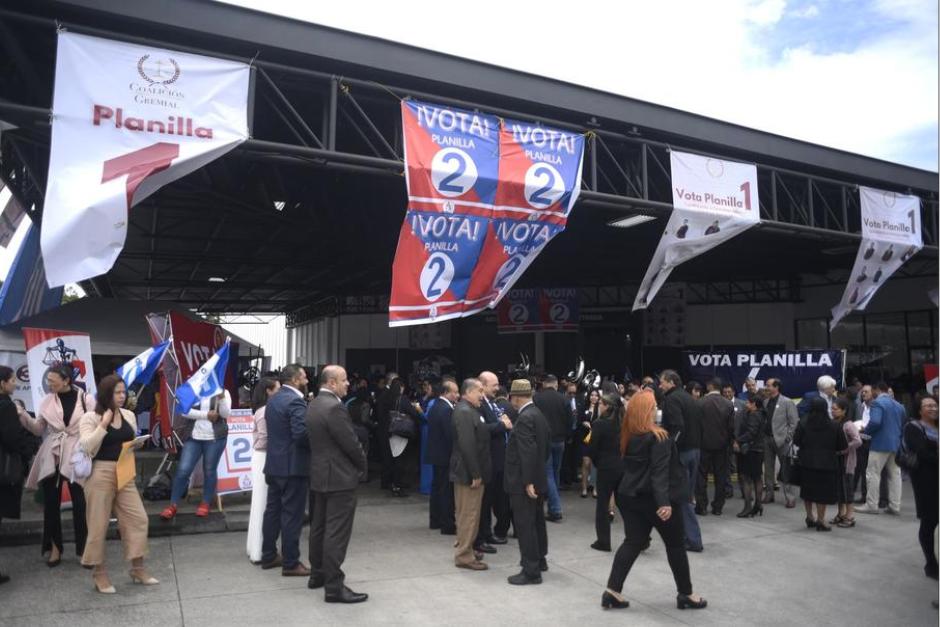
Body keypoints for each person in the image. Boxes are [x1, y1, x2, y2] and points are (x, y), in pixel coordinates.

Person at [602, 389, 706, 611]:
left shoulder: (628, 436)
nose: (657, 410)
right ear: (648, 411)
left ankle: (612, 591)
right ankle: (686, 594)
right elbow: (659, 473)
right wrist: (664, 503)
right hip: (654, 499)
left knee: (632, 542)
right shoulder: (659, 437)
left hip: (629, 496)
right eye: (653, 407)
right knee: (676, 545)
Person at [78, 374, 156, 593]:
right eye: (118, 392)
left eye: (124, 392)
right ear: (106, 394)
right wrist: (103, 423)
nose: (122, 396)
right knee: (98, 524)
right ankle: (99, 574)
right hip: (100, 472)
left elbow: (128, 441)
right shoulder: (90, 418)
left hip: (124, 470)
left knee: (138, 518)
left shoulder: (129, 415)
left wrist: (137, 444)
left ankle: (137, 568)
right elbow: (87, 446)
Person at [305, 366, 368, 603]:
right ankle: (334, 586)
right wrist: (362, 465)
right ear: (331, 382)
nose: (348, 384)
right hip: (339, 477)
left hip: (321, 474)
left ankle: (317, 574)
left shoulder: (314, 404)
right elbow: (351, 444)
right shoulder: (334, 408)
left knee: (319, 527)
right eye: (344, 380)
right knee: (336, 532)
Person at [23, 364, 94, 566]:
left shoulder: (85, 399)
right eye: (48, 380)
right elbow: (38, 430)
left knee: (80, 503)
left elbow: (93, 425)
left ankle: (84, 550)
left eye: (53, 380)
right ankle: (55, 548)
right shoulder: (47, 401)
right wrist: (23, 416)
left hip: (77, 453)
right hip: (52, 452)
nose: (49, 383)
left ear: (66, 380)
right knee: (51, 504)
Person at [260, 364, 310, 576]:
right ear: (296, 380)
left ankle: (269, 554)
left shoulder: (274, 400)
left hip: (274, 465)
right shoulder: (296, 401)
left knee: (273, 511)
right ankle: (291, 562)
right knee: (292, 515)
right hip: (293, 467)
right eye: (305, 377)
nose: (308, 381)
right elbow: (301, 434)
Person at [160, 384, 231, 520]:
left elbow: (226, 414)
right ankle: (173, 504)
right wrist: (206, 415)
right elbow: (184, 411)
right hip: (193, 437)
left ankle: (205, 503)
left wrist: (221, 398)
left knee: (210, 470)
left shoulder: (223, 392)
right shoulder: (193, 391)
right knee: (183, 470)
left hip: (215, 438)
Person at [504, 379, 551, 585]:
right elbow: (545, 448)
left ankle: (531, 570)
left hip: (524, 482)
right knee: (537, 521)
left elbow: (527, 451)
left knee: (525, 525)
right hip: (538, 477)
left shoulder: (524, 418)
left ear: (515, 397)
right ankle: (540, 560)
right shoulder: (538, 415)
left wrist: (528, 480)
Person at [0, 366, 39, 585]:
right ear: (2, 384)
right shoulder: (6, 406)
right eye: (12, 380)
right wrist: (30, 450)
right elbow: (12, 438)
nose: (15, 384)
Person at [659, 370, 704, 552]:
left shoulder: (672, 400)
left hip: (683, 453)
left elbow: (678, 427)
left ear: (670, 382)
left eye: (662, 382)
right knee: (686, 496)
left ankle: (693, 540)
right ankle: (684, 535)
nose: (660, 386)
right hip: (695, 451)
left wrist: (669, 447)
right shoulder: (688, 398)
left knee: (682, 498)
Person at [450, 378, 490, 570]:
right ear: (468, 392)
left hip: (469, 471)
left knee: (467, 513)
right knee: (469, 514)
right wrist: (475, 473)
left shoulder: (470, 410)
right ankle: (464, 556)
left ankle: (466, 548)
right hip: (468, 474)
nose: (482, 395)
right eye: (479, 391)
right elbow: (467, 445)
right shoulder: (465, 411)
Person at [793, 398, 847, 531]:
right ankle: (821, 520)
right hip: (827, 464)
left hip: (806, 462)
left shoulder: (804, 423)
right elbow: (842, 446)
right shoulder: (834, 425)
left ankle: (810, 516)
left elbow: (796, 440)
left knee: (808, 491)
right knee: (822, 493)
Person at [476, 372, 513, 553]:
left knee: (493, 499)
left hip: (498, 461)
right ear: (482, 385)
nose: (497, 388)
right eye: (494, 385)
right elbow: (480, 429)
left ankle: (488, 534)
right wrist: (501, 425)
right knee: (484, 502)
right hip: (489, 461)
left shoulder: (491, 403)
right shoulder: (479, 404)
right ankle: (481, 538)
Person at [857, 382, 905, 515]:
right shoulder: (899, 405)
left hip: (879, 444)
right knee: (895, 475)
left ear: (876, 390)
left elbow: (875, 422)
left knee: (873, 473)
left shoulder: (877, 403)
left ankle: (871, 505)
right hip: (895, 444)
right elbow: (901, 423)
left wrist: (865, 432)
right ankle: (895, 505)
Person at [247, 376, 280, 564]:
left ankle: (255, 548)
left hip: (260, 456)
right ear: (268, 391)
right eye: (277, 388)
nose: (280, 391)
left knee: (260, 504)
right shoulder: (265, 411)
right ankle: (259, 550)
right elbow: (264, 438)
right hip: (263, 456)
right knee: (263, 504)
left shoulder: (261, 410)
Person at [905, 396, 938, 579]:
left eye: (935, 405)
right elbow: (922, 452)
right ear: (919, 410)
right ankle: (931, 563)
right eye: (928, 406)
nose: (933, 408)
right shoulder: (913, 427)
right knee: (929, 521)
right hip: (926, 481)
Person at [588, 392, 624, 551]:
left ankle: (603, 541)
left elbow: (592, 448)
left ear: (607, 406)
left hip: (606, 467)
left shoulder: (600, 424)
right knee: (626, 504)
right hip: (622, 466)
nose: (599, 405)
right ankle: (641, 537)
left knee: (602, 505)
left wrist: (598, 462)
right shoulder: (624, 423)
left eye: (601, 403)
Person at [534, 375, 569, 522]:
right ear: (555, 384)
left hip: (544, 440)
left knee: (548, 474)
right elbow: (570, 419)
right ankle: (554, 503)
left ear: (544, 384)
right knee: (555, 472)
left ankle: (555, 508)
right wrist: (568, 435)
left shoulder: (537, 398)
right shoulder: (564, 399)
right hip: (560, 440)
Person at [696, 378, 734, 516]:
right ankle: (718, 507)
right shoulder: (728, 404)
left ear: (709, 386)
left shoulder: (700, 403)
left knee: (701, 476)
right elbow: (731, 428)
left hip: (702, 445)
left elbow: (696, 426)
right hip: (722, 446)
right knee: (721, 477)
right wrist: (729, 444)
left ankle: (701, 506)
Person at [427, 379, 459, 535]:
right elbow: (450, 435)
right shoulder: (446, 409)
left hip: (436, 453)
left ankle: (435, 520)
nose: (457, 395)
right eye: (455, 392)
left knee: (437, 488)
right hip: (445, 455)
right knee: (446, 490)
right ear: (446, 392)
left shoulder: (435, 406)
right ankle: (447, 524)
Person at [762, 378, 799, 508]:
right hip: (767, 439)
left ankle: (790, 497)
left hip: (782, 441)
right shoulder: (766, 401)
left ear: (776, 387)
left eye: (768, 385)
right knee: (768, 469)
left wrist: (787, 438)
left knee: (786, 470)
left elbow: (794, 422)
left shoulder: (787, 402)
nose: (766, 387)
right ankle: (769, 494)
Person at [830, 397, 861, 528]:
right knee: (839, 489)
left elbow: (858, 441)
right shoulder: (833, 422)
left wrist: (844, 449)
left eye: (835, 409)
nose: (832, 411)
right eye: (832, 408)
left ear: (844, 411)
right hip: (836, 461)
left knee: (847, 489)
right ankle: (840, 514)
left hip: (847, 462)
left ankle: (850, 516)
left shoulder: (848, 424)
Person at [734, 394, 765, 517]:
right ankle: (758, 505)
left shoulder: (753, 415)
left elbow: (751, 433)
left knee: (745, 478)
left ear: (754, 405)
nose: (746, 405)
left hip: (750, 451)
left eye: (748, 403)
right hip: (759, 450)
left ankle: (747, 506)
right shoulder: (762, 414)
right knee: (757, 477)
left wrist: (738, 440)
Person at [580, 390, 601, 498]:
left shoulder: (601, 408)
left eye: (596, 395)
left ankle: (595, 489)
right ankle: (584, 488)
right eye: (592, 395)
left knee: (597, 465)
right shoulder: (584, 407)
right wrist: (583, 423)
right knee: (586, 463)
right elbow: (579, 420)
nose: (593, 397)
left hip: (597, 440)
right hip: (586, 439)